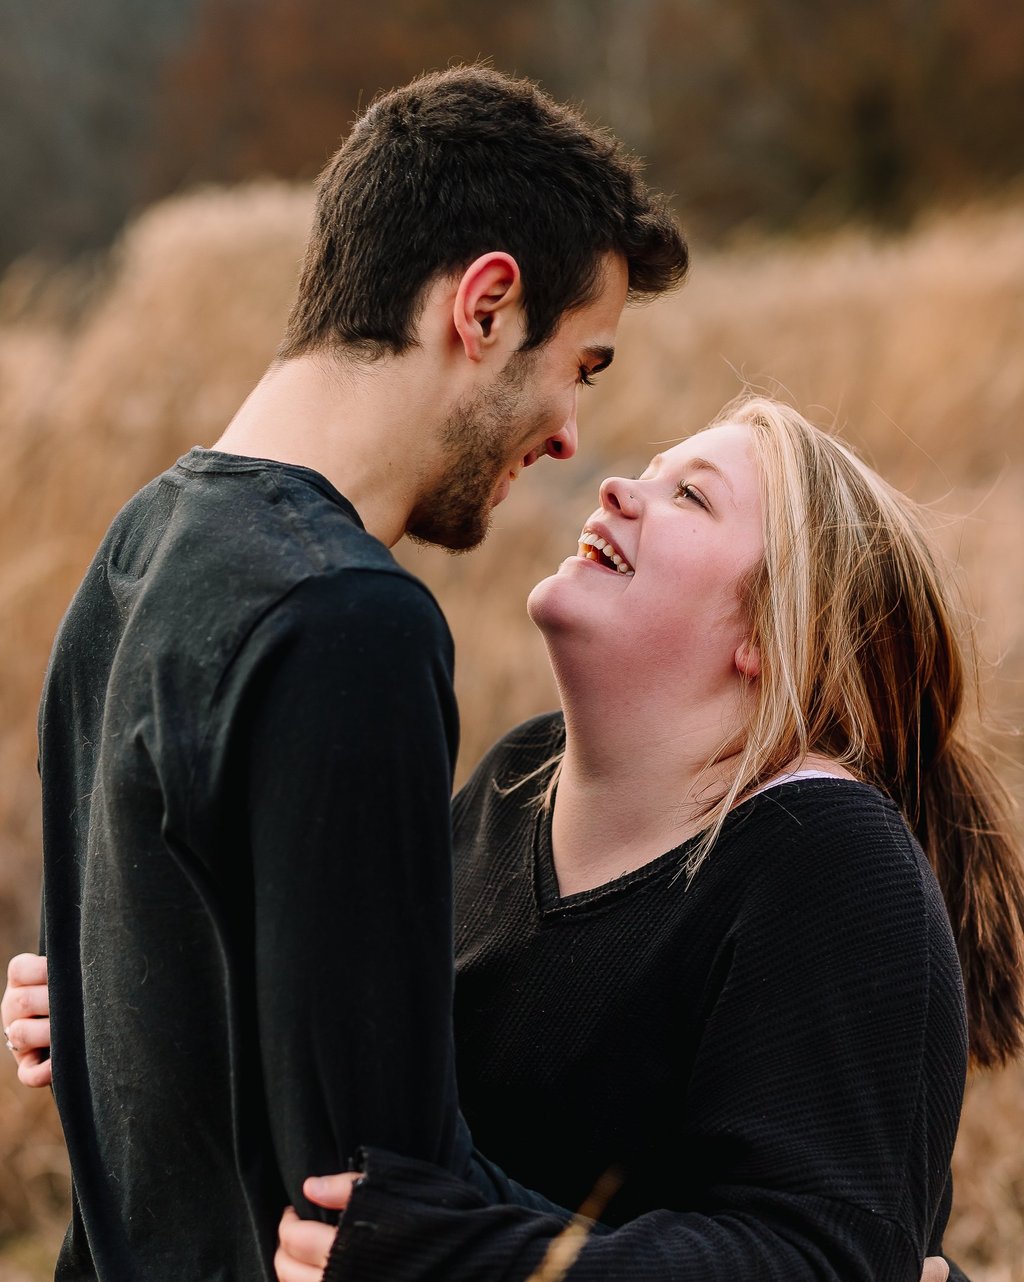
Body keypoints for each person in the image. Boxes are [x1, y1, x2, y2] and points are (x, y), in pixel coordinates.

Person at [12, 64, 688, 1280]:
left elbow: (176, 1063)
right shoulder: (347, 623)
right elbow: (374, 1193)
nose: (570, 437)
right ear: (483, 307)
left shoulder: (135, 550)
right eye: (581, 365)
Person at [263, 397, 1024, 1281]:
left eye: (691, 497)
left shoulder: (833, 869)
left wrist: (468, 1265)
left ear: (773, 637)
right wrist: (137, 996)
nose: (620, 487)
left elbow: (816, 1260)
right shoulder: (516, 777)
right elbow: (359, 1018)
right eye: (652, 474)